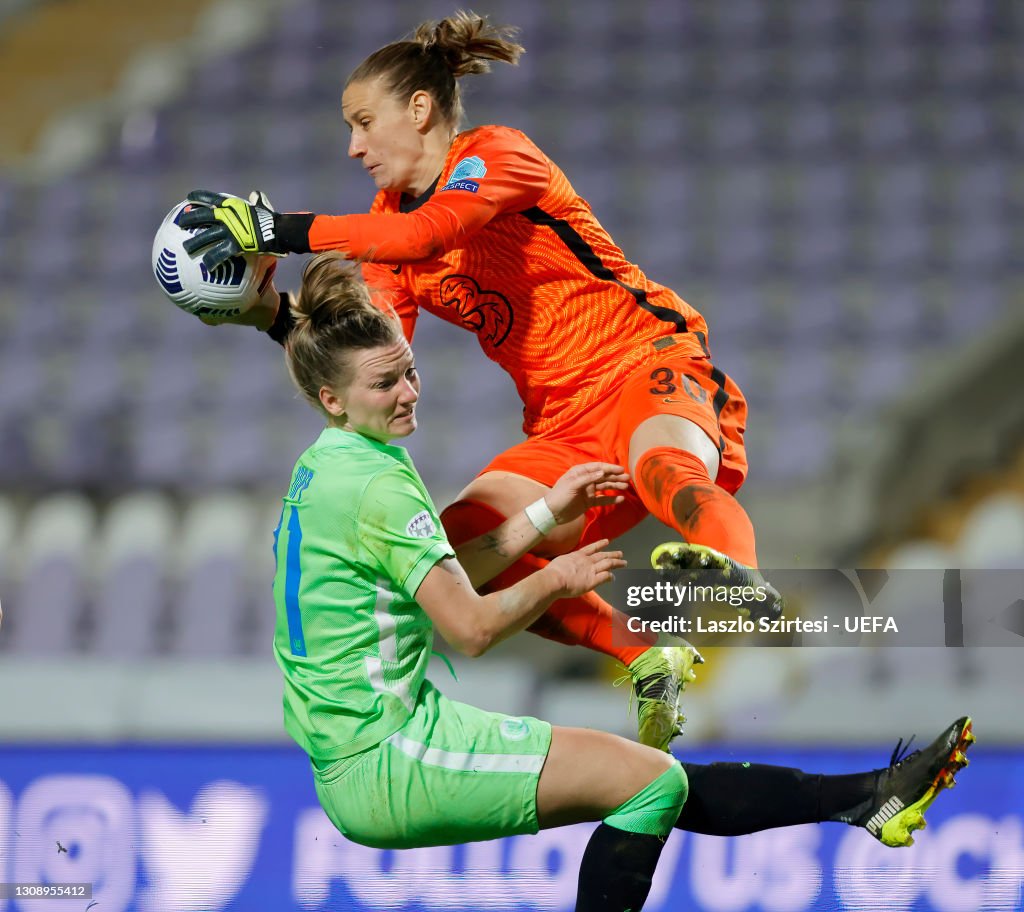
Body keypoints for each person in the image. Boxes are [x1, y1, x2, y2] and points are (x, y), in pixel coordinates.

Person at [269, 251, 972, 912]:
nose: (408, 393)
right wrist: (559, 577)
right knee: (650, 785)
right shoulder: (379, 484)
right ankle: (867, 798)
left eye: (411, 372)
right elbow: (472, 627)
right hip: (390, 756)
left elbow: (451, 573)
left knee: (641, 777)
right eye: (386, 383)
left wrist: (547, 512)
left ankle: (870, 797)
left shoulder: (328, 466)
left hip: (387, 736)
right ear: (332, 398)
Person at [178, 9, 780, 751]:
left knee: (664, 468)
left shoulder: (499, 156)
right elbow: (368, 356)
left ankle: (740, 580)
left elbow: (428, 233)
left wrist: (280, 229)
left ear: (420, 109)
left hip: (649, 362)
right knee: (457, 551)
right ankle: (647, 656)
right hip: (562, 426)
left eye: (365, 122)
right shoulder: (383, 228)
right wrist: (271, 316)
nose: (354, 146)